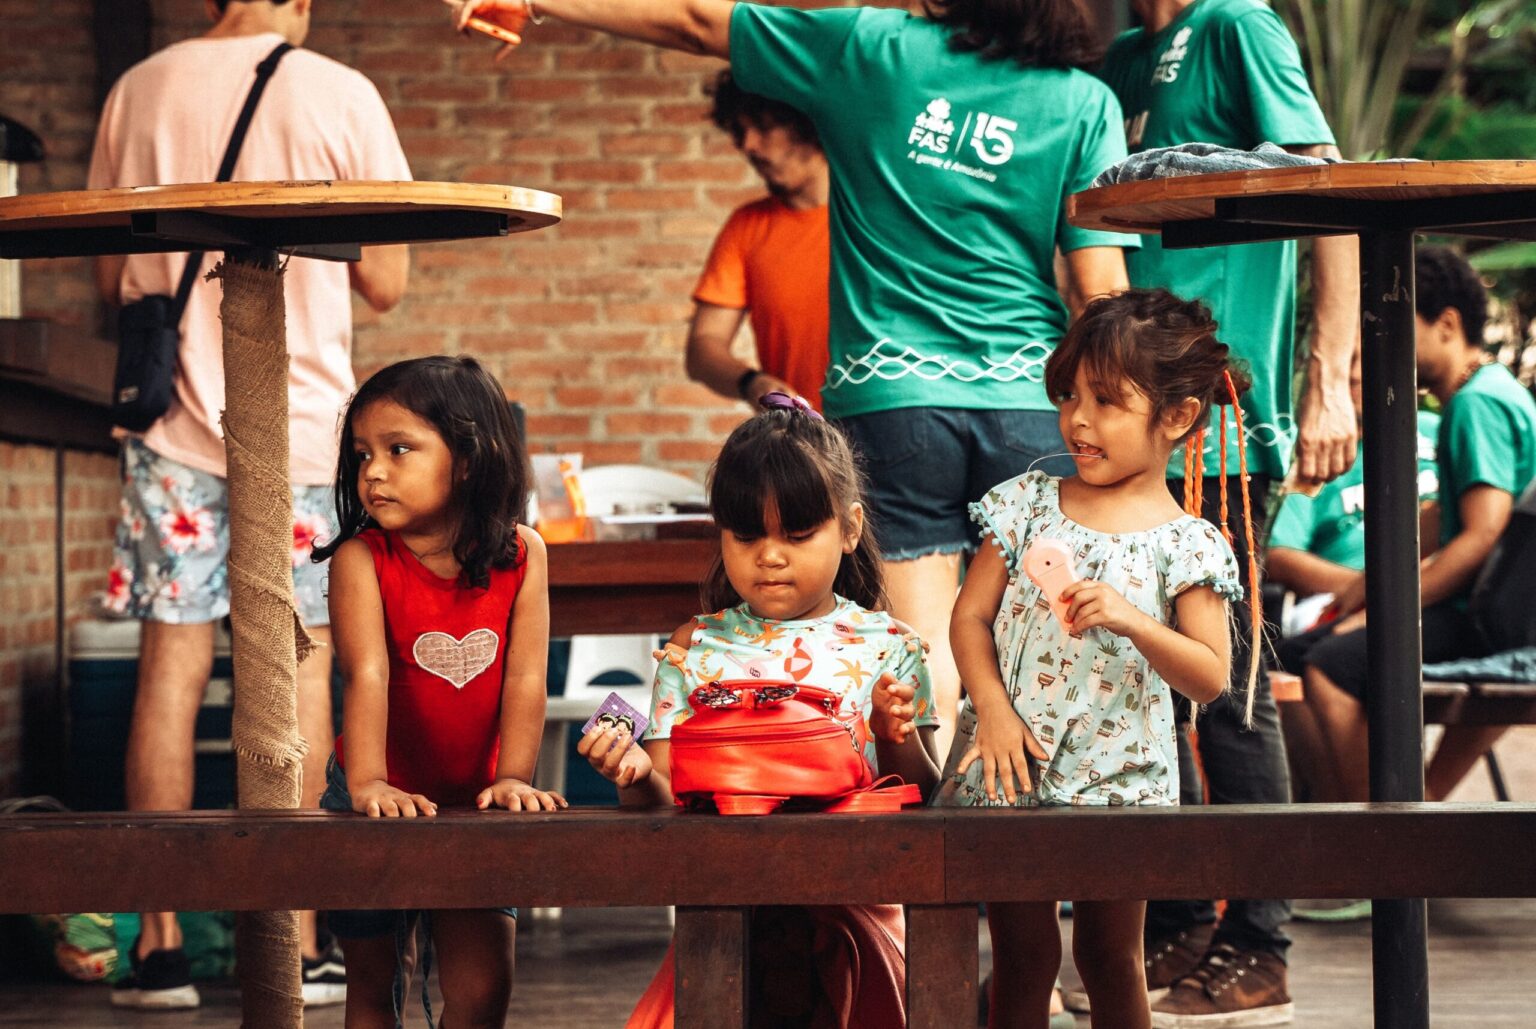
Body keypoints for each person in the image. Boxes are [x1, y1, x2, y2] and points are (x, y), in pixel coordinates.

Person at [457, 0, 1137, 766]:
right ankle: (1034, 863)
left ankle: (947, 872)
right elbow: (1100, 292)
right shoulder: (1086, 102)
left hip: (896, 403)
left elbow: (693, 22)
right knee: (1039, 651)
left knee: (927, 646)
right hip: (1025, 409)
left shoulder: (872, 49)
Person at [89, 0, 411, 1010]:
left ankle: (161, 948)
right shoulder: (340, 93)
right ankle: (301, 933)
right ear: (300, 1)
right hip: (307, 432)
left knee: (171, 665)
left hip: (174, 431)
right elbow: (389, 281)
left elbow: (111, 275)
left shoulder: (137, 89)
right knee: (299, 667)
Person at [1094, 3, 1360, 1021]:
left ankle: (1261, 939)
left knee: (1234, 688)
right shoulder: (1119, 58)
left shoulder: (1235, 24)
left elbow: (1328, 198)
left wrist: (1329, 377)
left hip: (1227, 431)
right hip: (1133, 424)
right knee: (1148, 683)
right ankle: (1175, 923)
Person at [938, 288, 1251, 1029]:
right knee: (1021, 957)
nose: (1078, 419)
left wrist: (1133, 620)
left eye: (1106, 401)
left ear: (1176, 417)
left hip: (1124, 781)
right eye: (1071, 395)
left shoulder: (1189, 543)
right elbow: (969, 616)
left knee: (1112, 960)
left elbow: (1211, 673)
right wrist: (990, 711)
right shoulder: (1023, 503)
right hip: (1011, 766)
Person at [579, 395, 941, 1026]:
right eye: (746, 535)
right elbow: (668, 798)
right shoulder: (692, 648)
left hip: (854, 916)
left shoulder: (891, 646)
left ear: (850, 528)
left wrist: (894, 733)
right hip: (729, 914)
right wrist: (634, 775)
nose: (769, 555)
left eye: (797, 535)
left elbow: (926, 795)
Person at [313, 356, 566, 1029]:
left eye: (399, 449)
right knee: (372, 986)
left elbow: (525, 676)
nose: (372, 470)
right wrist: (368, 783)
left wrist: (514, 776)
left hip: (476, 800)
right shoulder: (362, 559)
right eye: (362, 452)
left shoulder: (524, 554)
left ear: (467, 460)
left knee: (483, 989)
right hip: (371, 794)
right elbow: (364, 673)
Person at [1297, 247, 1536, 806]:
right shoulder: (1497, 392)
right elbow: (1439, 520)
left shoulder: (1475, 405)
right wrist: (1361, 591)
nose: (1383, 349)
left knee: (1330, 667)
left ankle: (1384, 850)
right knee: (1324, 643)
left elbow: (1480, 534)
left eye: (1395, 329)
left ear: (1447, 325)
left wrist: (1385, 614)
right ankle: (1416, 817)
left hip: (1500, 623)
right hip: (1506, 613)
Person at [687, 71, 831, 410]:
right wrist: (752, 382)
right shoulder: (747, 227)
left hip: (893, 434)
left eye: (763, 128)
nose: (748, 145)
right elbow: (704, 346)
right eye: (739, 131)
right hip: (808, 446)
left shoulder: (880, 214)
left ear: (806, 124)